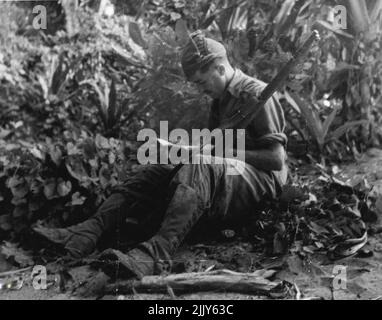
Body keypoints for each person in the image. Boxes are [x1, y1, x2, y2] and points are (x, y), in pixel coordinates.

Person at [33, 31, 288, 279]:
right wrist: (184, 151)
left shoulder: (257, 94)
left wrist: (220, 152)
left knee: (199, 164)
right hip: (229, 175)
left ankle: (156, 254)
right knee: (157, 167)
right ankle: (88, 231)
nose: (200, 89)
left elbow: (276, 160)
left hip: (262, 181)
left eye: (202, 82)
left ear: (220, 69)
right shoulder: (219, 100)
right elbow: (215, 148)